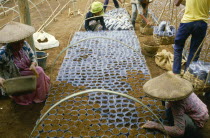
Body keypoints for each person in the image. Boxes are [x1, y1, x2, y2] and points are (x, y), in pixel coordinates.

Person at [142, 71, 209, 138]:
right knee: (169, 111)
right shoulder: (182, 89)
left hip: (197, 120)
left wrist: (157, 126)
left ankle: (190, 132)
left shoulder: (177, 103)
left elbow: (179, 131)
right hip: (203, 112)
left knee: (170, 115)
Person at [0, 22, 50, 105]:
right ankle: (27, 98)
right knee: (40, 71)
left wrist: (33, 64)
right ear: (10, 43)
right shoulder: (3, 53)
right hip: (15, 75)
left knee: (39, 71)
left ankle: (40, 97)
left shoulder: (25, 45)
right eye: (16, 43)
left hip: (27, 69)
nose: (20, 45)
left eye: (21, 42)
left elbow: (33, 57)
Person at [173, 0, 210, 75]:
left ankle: (176, 72)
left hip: (187, 22)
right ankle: (188, 74)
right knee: (194, 52)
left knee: (178, 47)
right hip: (202, 23)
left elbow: (176, 3)